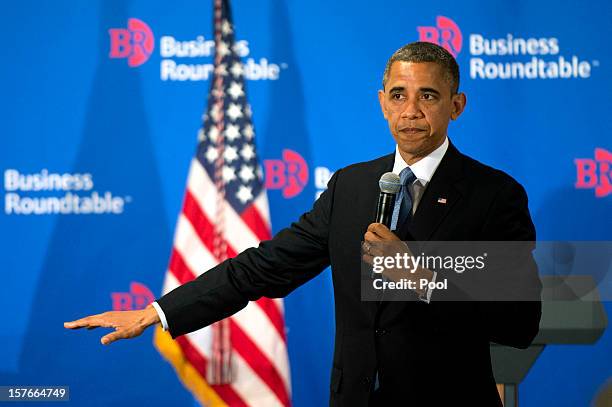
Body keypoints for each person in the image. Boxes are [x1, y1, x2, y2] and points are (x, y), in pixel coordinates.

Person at [65, 42, 542, 406]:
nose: (411, 111)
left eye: (428, 96)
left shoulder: (494, 195)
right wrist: (159, 312)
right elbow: (262, 268)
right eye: (399, 95)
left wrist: (423, 277)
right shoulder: (352, 188)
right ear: (382, 102)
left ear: (456, 106)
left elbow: (519, 321)